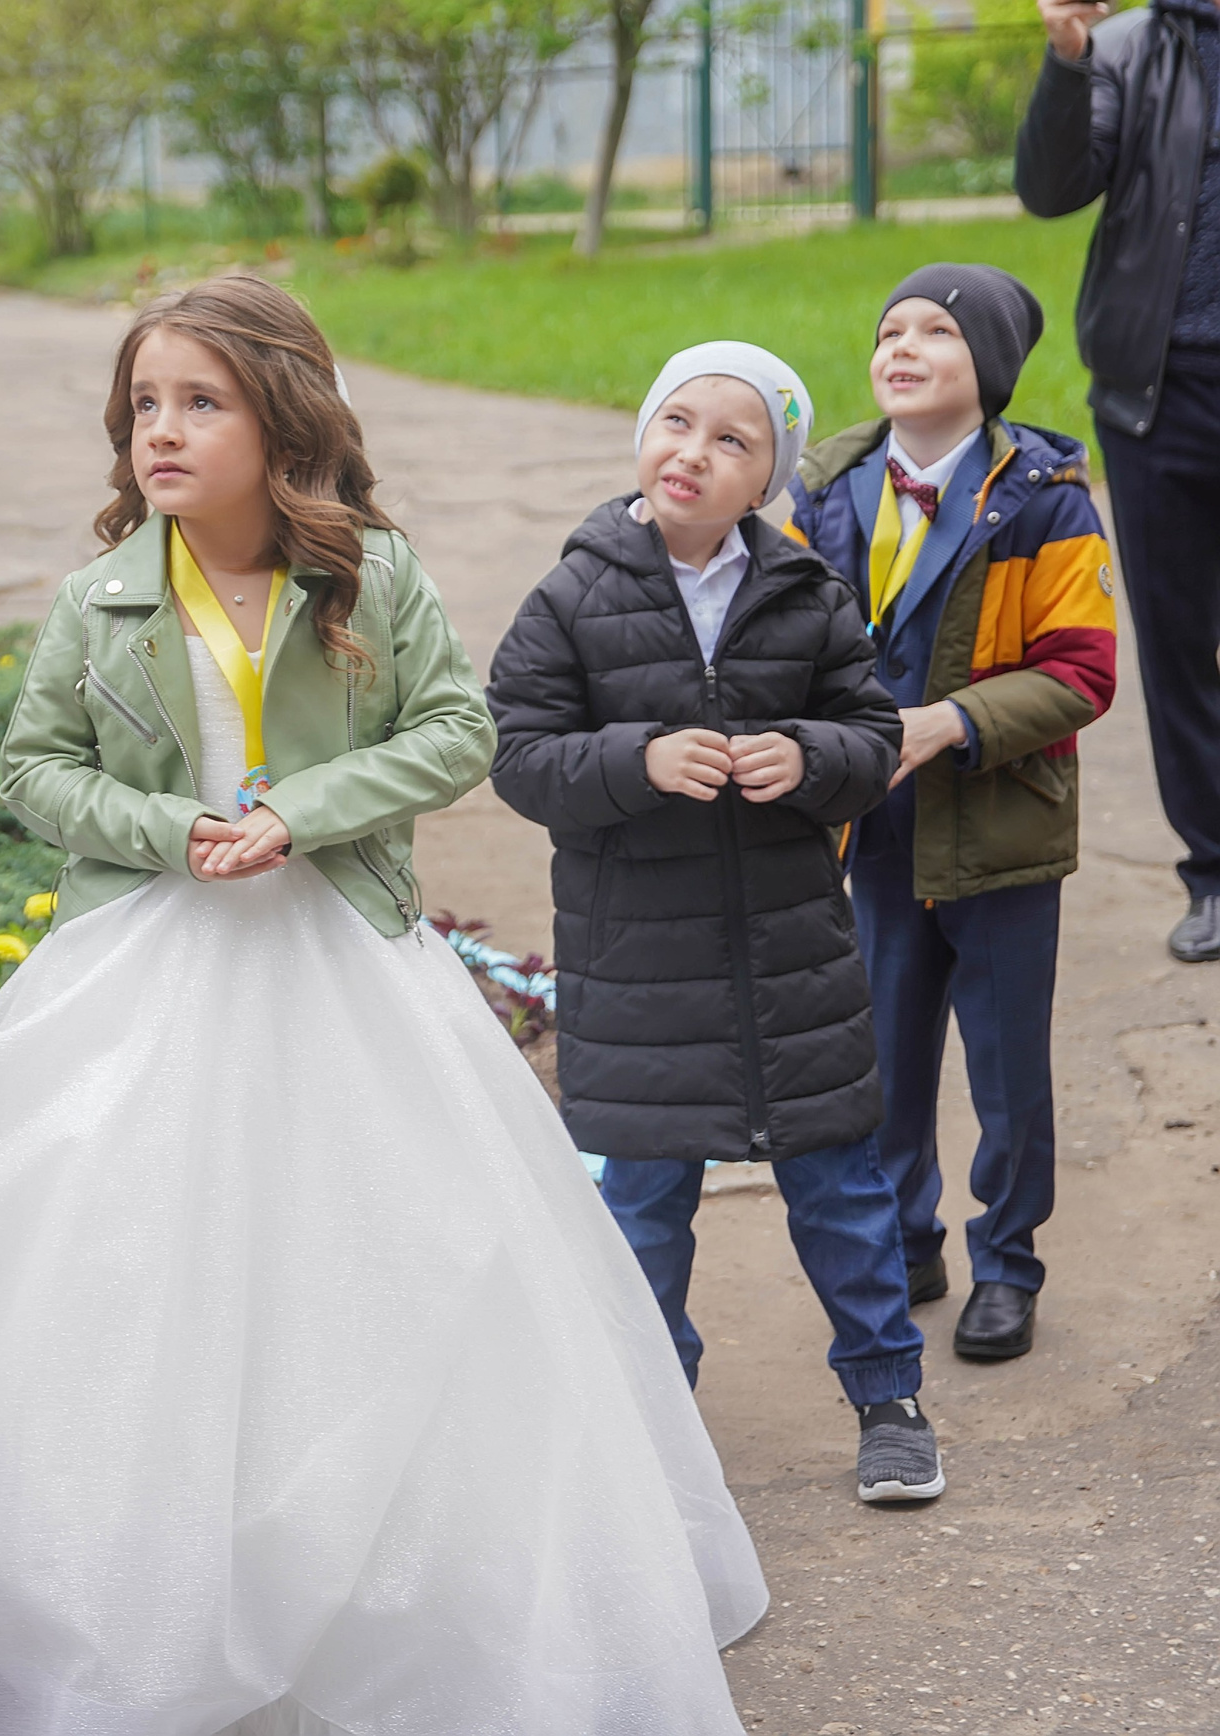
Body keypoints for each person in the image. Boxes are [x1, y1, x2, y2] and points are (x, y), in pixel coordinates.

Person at [0, 276, 768, 1736]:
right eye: (144, 404)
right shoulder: (101, 595)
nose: (162, 431)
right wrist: (165, 831)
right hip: (151, 952)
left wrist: (307, 810)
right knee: (138, 1270)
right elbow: (31, 770)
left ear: (284, 420)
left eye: (202, 403)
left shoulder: (368, 576)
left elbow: (456, 728)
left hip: (343, 954)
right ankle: (152, 1605)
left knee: (394, 1261)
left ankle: (427, 1596)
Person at [487, 342, 942, 1504]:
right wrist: (635, 758)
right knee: (641, 1208)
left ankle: (888, 1395)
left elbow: (871, 734)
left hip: (793, 961)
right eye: (676, 421)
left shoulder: (803, 595)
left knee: (843, 1191)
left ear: (767, 479)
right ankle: (651, 1411)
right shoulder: (574, 592)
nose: (692, 450)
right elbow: (518, 752)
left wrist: (806, 756)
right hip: (637, 972)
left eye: (731, 440)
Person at [786, 266, 1116, 1363]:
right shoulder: (826, 488)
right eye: (889, 328)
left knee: (1005, 1068)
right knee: (882, 1052)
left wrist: (944, 724)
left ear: (989, 367)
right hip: (871, 830)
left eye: (936, 329)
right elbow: (783, 639)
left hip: (999, 831)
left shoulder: (1047, 497)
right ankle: (908, 1236)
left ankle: (1008, 1261)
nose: (904, 344)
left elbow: (1080, 672)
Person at [1016, 0, 1220, 962]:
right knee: (1179, 643)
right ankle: (1214, 872)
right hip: (1162, 391)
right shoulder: (1129, 49)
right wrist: (1067, 58)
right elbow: (1051, 187)